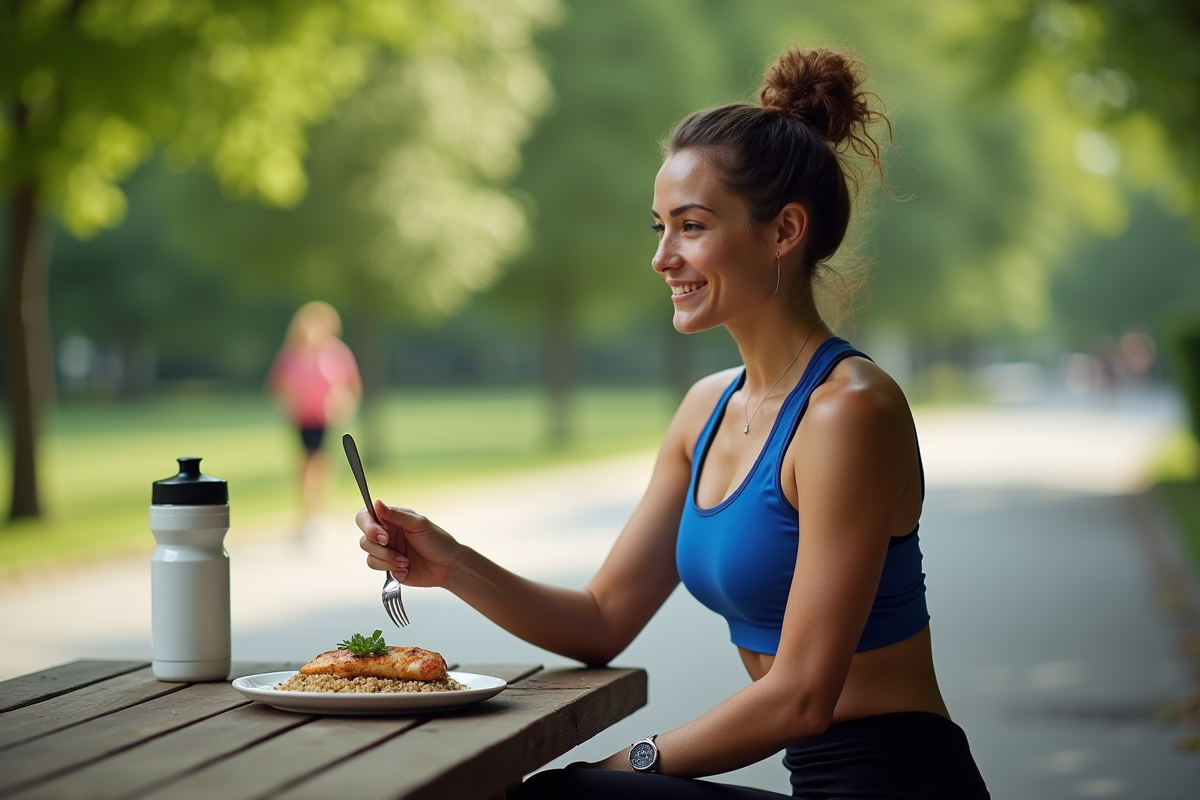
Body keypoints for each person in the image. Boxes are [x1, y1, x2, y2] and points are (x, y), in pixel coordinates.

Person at [354, 46, 990, 799]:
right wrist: (451, 565)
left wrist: (630, 763)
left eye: (691, 226)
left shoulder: (849, 411)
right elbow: (602, 620)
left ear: (784, 230)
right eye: (659, 227)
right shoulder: (705, 411)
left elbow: (801, 697)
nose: (662, 257)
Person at [269, 301, 362, 535]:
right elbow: (277, 386)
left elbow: (351, 385)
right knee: (305, 464)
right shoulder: (292, 353)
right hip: (302, 418)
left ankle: (322, 511)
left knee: (322, 463)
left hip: (326, 418)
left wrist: (342, 404)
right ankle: (305, 513)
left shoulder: (336, 353)